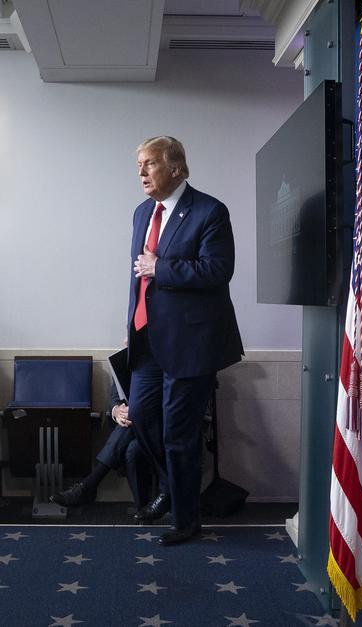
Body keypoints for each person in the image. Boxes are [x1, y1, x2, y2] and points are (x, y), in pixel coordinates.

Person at [126, 136, 243, 546]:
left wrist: (163, 267)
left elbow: (217, 270)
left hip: (191, 344)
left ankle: (185, 520)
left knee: (179, 434)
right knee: (140, 416)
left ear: (175, 167)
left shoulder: (209, 211)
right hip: (147, 342)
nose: (141, 172)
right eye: (139, 164)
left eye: (149, 163)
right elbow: (138, 280)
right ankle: (172, 486)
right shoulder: (143, 213)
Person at [50, 383, 154, 515]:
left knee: (132, 422)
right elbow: (115, 398)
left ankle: (89, 486)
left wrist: (135, 412)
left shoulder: (156, 366)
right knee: (131, 451)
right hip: (134, 432)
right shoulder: (124, 363)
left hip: (158, 428)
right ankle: (143, 512)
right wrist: (117, 411)